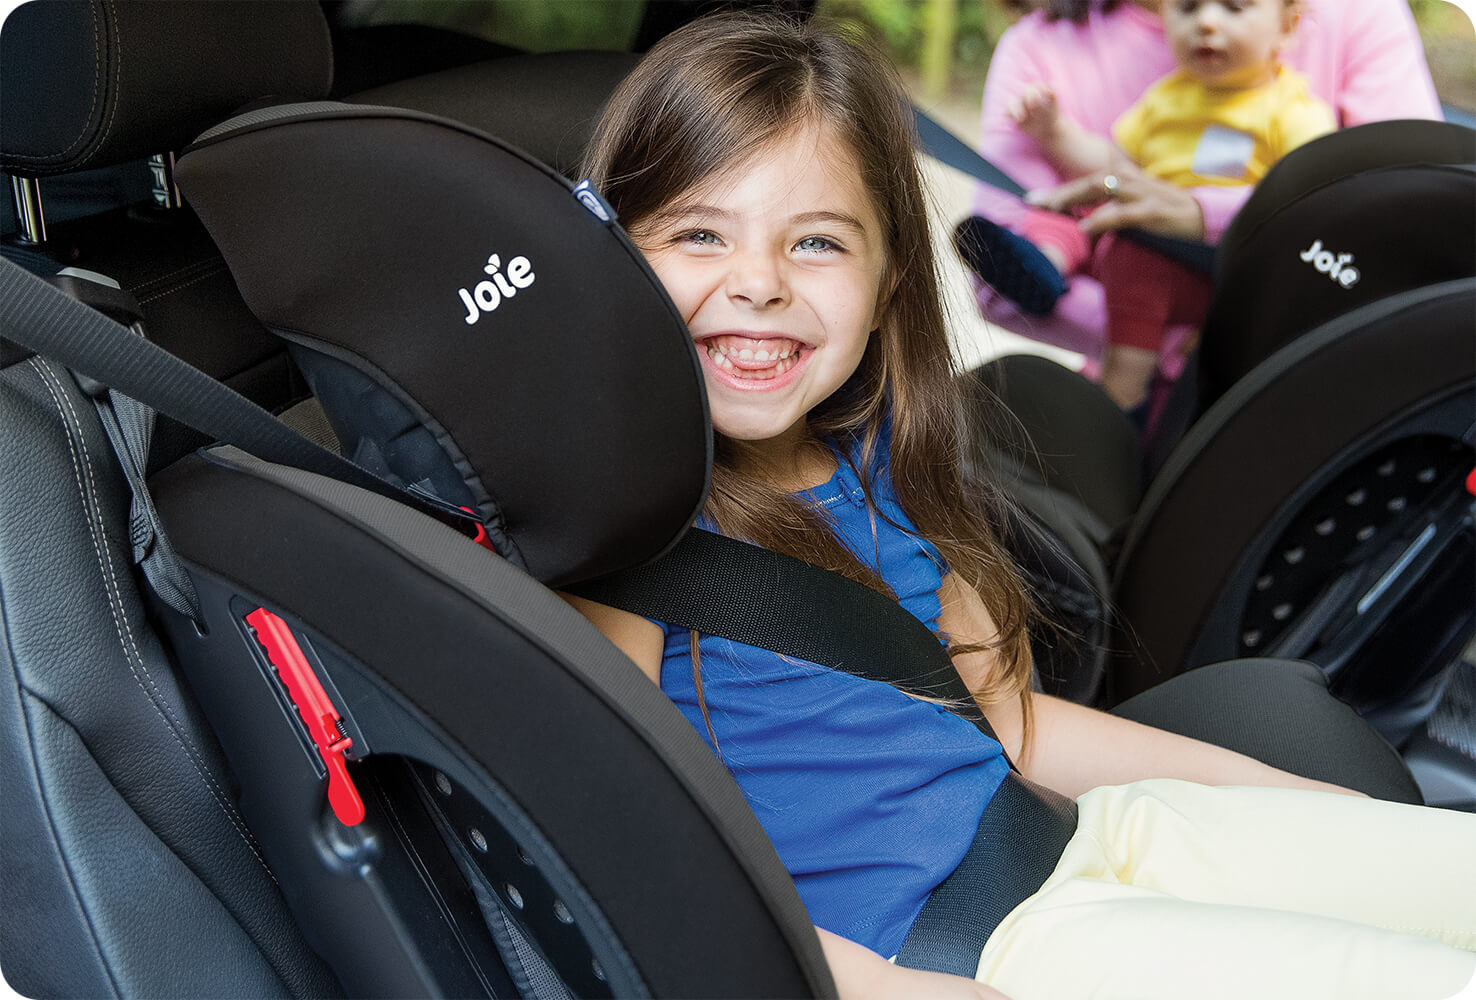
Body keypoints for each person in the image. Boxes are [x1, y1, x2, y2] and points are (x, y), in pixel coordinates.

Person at [567, 12, 1476, 1000]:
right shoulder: (624, 537)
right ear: (611, 259)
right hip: (973, 950)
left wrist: (1302, 807)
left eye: (817, 242)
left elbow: (1011, 727)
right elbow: (633, 868)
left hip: (1083, 833)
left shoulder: (873, 453)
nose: (759, 283)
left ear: (887, 284)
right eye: (700, 233)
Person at [967, 0, 1441, 370]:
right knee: (1063, 219)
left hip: (1281, 322)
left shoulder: (1295, 97)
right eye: (1189, 8)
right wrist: (1057, 135)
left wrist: (1200, 216)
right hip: (1131, 272)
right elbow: (1113, 162)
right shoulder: (1060, 58)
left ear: (1289, 25)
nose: (1208, 24)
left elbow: (1402, 203)